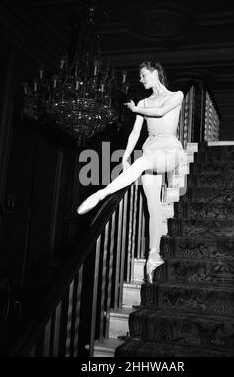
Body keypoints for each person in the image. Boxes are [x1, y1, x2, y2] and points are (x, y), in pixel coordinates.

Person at [77, 61, 184, 282]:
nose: (141, 79)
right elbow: (135, 133)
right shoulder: (143, 102)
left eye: (144, 75)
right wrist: (125, 157)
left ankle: (101, 193)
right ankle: (153, 257)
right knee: (153, 208)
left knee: (144, 163)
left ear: (156, 73)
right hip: (149, 150)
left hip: (169, 151)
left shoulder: (177, 95)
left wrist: (136, 109)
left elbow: (161, 111)